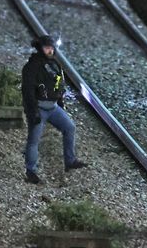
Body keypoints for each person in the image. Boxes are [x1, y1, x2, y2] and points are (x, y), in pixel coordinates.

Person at [22, 35, 86, 184]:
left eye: (51, 48)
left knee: (69, 127)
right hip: (39, 107)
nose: (50, 50)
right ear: (40, 48)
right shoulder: (31, 66)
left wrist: (60, 102)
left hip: (53, 106)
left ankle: (70, 161)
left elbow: (58, 85)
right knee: (34, 140)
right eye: (47, 48)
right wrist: (33, 111)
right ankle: (31, 171)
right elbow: (27, 91)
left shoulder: (54, 64)